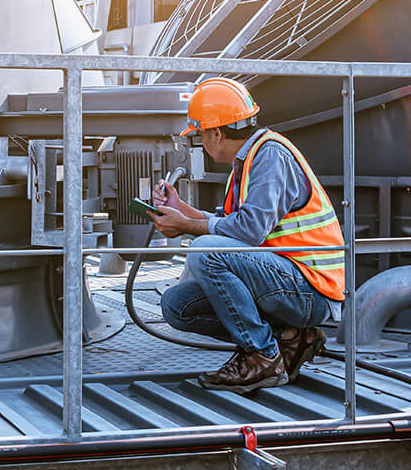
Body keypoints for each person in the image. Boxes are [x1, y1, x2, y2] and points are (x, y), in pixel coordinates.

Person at [148, 77, 345, 392]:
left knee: (206, 250)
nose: (201, 142)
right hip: (281, 279)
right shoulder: (248, 160)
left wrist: (186, 226)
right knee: (176, 305)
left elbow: (249, 231)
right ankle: (288, 338)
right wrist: (184, 210)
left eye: (199, 136)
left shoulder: (270, 156)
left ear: (215, 133)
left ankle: (262, 357)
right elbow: (230, 226)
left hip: (309, 288)